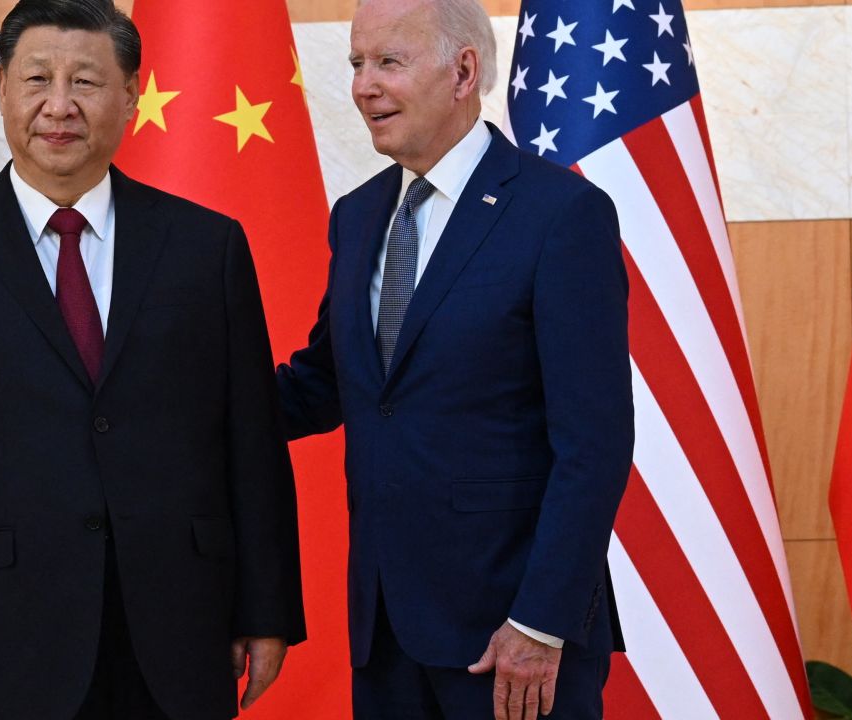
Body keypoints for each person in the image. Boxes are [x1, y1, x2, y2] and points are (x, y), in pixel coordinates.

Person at [0, 2, 305, 718]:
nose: (59, 106)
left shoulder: (208, 247)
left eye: (87, 82)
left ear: (133, 94)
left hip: (180, 622)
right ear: (4, 87)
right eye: (37, 78)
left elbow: (250, 444)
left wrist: (266, 609)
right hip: (7, 630)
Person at [275, 0, 634, 718]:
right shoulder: (356, 214)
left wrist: (540, 623)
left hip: (511, 640)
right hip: (386, 634)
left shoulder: (559, 214)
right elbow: (333, 382)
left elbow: (593, 443)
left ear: (463, 70)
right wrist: (181, 389)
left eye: (388, 62)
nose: (363, 86)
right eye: (355, 63)